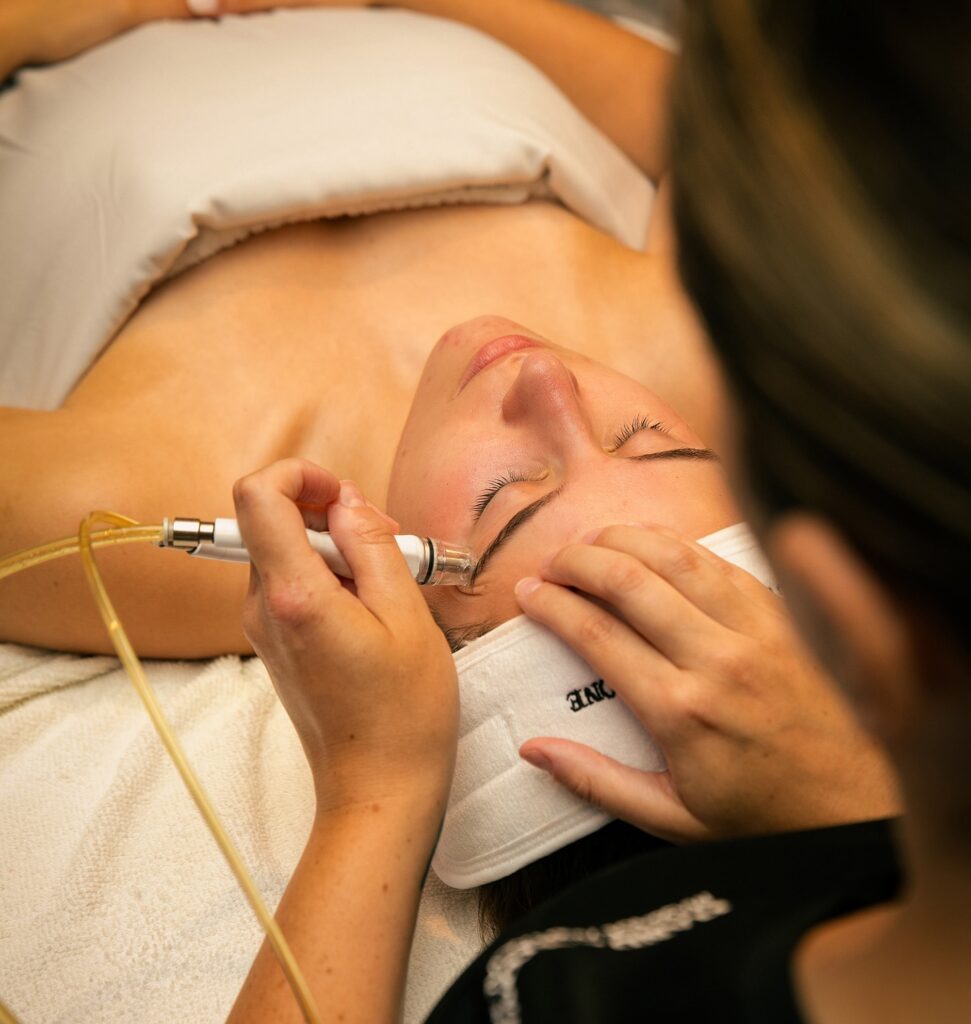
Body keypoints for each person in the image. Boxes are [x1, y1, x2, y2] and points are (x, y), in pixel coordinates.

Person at [214, 2, 968, 1023]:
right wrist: (857, 802)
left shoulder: (566, 990)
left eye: (504, 501)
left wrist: (372, 798)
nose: (550, 388)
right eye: (661, 438)